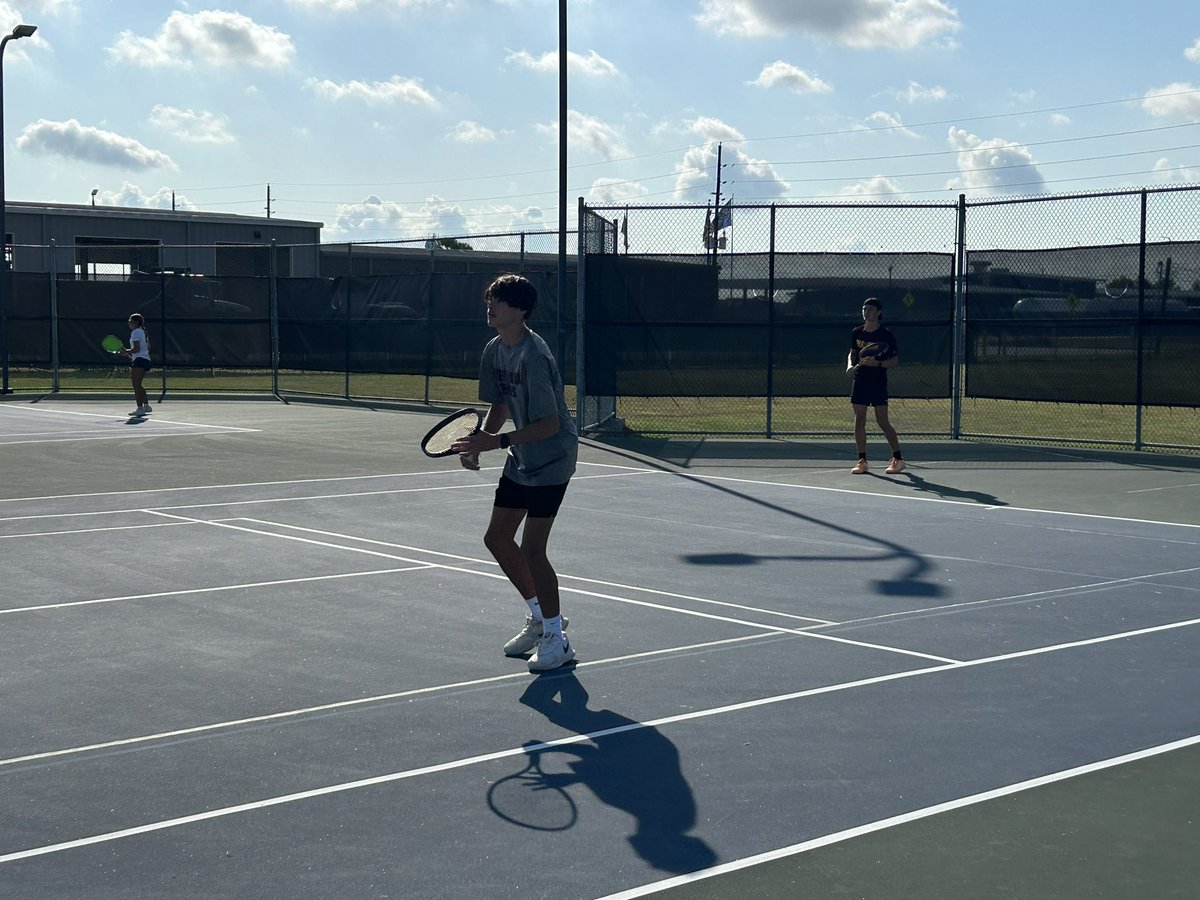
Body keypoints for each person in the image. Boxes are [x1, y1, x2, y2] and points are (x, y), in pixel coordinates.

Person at [451, 274, 579, 672]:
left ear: (520, 310)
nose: (491, 307)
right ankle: (539, 617)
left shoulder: (534, 356)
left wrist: (497, 443)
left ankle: (557, 638)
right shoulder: (494, 350)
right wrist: (480, 443)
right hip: (522, 457)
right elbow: (501, 405)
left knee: (532, 549)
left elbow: (550, 424)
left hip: (553, 458)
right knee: (497, 538)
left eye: (500, 301)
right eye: (490, 299)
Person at [846, 297, 904, 475]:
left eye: (870, 309)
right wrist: (849, 366)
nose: (867, 311)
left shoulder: (886, 335)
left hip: (877, 381)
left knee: (882, 421)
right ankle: (862, 461)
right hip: (860, 380)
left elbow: (894, 361)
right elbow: (853, 353)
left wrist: (877, 364)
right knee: (859, 419)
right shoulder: (857, 332)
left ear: (878, 312)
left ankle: (898, 459)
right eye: (864, 309)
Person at [121, 313, 152, 416]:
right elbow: (146, 348)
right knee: (138, 385)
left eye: (130, 321)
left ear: (136, 322)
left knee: (136, 385)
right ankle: (146, 406)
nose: (129, 323)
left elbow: (137, 348)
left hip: (140, 360)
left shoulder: (135, 332)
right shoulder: (142, 332)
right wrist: (131, 355)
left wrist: (127, 351)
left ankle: (140, 408)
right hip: (144, 360)